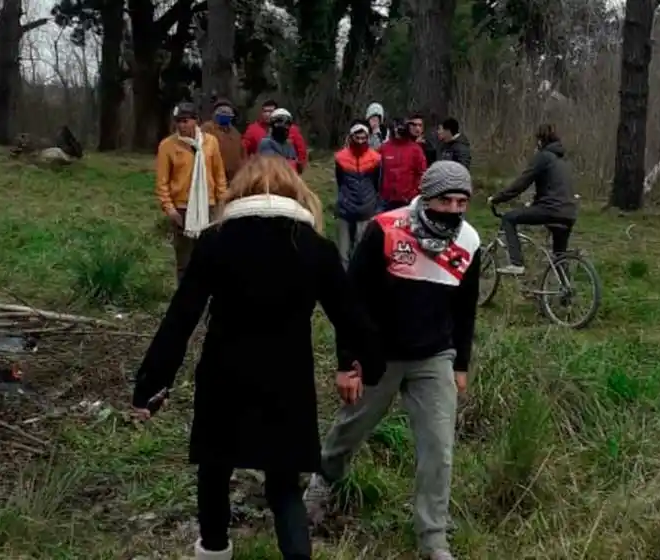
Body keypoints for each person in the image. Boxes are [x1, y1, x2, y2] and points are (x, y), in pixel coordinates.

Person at [131, 156, 383, 560]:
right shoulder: (315, 248)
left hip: (223, 377)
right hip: (288, 381)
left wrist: (151, 384)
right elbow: (352, 316)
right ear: (296, 191)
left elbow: (181, 317)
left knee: (215, 470)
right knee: (284, 485)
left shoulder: (216, 242)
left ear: (240, 190)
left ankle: (214, 550)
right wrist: (371, 364)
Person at [304, 161, 481, 560]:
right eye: (445, 200)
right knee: (351, 428)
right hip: (378, 354)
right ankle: (323, 481)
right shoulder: (386, 229)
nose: (453, 209)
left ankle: (433, 538)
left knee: (439, 448)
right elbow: (351, 299)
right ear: (426, 196)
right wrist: (348, 362)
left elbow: (466, 309)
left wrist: (461, 365)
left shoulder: (468, 243)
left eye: (461, 201)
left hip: (434, 356)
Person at [488, 123, 577, 275]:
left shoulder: (543, 157)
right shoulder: (564, 161)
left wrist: (497, 198)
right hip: (569, 212)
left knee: (509, 218)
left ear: (540, 141)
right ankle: (565, 293)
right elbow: (554, 189)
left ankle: (516, 263)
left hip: (550, 210)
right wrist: (535, 203)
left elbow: (522, 182)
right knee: (559, 256)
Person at [155, 101, 228, 283]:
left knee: (209, 255)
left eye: (185, 121)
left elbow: (219, 173)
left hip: (208, 205)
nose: (181, 125)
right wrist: (169, 208)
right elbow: (162, 181)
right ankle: (185, 300)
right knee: (185, 260)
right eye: (178, 121)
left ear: (196, 120)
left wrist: (222, 201)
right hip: (182, 207)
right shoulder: (167, 145)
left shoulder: (210, 142)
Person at [334, 120, 382, 268]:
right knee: (343, 251)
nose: (360, 141)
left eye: (363, 138)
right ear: (351, 137)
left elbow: (377, 182)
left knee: (360, 250)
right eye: (357, 137)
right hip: (345, 207)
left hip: (366, 208)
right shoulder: (340, 158)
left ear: (368, 138)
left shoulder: (376, 158)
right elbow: (339, 180)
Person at [243, 99, 308, 172]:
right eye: (265, 111)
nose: (267, 114)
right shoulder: (253, 130)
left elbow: (301, 150)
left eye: (270, 111)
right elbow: (244, 149)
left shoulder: (291, 131)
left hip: (288, 172)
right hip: (264, 171)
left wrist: (300, 166)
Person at [377, 117, 427, 211]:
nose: (399, 131)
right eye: (397, 128)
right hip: (386, 199)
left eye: (401, 128)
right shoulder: (384, 148)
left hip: (407, 199)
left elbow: (422, 173)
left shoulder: (415, 150)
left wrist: (414, 193)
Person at [200, 98, 245, 182]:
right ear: (214, 114)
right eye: (221, 111)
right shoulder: (207, 129)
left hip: (233, 178)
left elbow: (242, 153)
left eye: (228, 112)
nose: (224, 114)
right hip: (213, 176)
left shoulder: (235, 133)